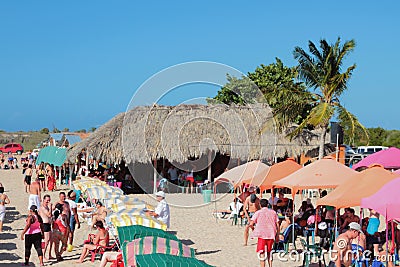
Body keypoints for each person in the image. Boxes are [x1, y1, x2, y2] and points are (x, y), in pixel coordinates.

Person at [250, 199, 279, 267]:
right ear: (267, 204)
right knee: (269, 252)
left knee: (262, 253)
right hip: (271, 234)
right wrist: (277, 234)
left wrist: (254, 229)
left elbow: (251, 224)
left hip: (262, 234)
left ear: (260, 205)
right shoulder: (273, 212)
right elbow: (277, 224)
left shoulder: (258, 213)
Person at [38, 194, 53, 261]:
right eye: (47, 201)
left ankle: (49, 255)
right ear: (44, 200)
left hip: (48, 224)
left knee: (50, 240)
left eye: (49, 200)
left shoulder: (46, 207)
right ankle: (43, 255)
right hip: (45, 225)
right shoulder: (43, 208)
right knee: (46, 241)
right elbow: (49, 214)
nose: (48, 202)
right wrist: (51, 207)